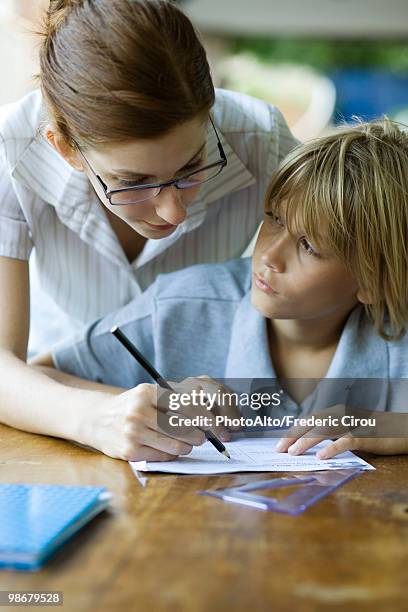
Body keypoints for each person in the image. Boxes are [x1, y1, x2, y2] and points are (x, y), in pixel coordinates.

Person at [0, 1, 297, 445]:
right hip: (57, 394)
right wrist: (98, 416)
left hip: (214, 413)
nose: (173, 213)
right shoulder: (10, 151)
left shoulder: (262, 140)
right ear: (65, 149)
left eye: (193, 165)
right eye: (132, 181)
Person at [34, 117, 408, 461]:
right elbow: (40, 375)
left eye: (309, 246)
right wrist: (154, 406)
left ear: (372, 282)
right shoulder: (182, 305)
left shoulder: (399, 333)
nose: (268, 257)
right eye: (274, 219)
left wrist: (393, 427)